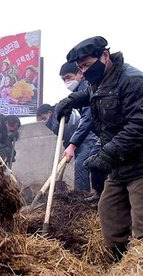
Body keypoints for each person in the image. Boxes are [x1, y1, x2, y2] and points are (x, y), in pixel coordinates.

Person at [55, 36, 143, 260]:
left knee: (141, 225)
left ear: (105, 55)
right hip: (119, 167)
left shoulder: (133, 81)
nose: (84, 71)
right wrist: (73, 100)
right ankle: (119, 267)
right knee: (110, 216)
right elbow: (95, 94)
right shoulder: (100, 79)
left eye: (86, 65)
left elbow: (138, 124)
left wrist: (107, 153)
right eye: (80, 67)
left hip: (139, 165)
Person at [58, 61, 106, 196]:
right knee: (89, 162)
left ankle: (82, 198)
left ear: (80, 74)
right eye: (63, 79)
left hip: (99, 134)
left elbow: (88, 117)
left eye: (68, 77)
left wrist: (73, 145)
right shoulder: (79, 91)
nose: (66, 81)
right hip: (99, 133)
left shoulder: (86, 87)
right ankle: (95, 196)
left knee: (84, 163)